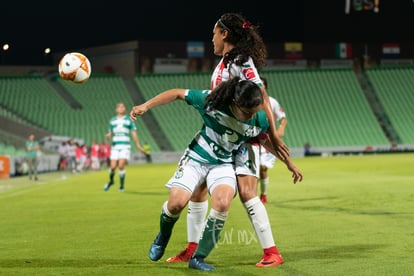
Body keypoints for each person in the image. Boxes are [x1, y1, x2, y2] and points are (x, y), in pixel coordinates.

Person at [130, 77, 302, 271]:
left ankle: (198, 258)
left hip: (223, 164)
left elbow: (264, 140)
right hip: (196, 159)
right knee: (176, 204)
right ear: (235, 103)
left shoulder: (259, 117)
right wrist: (145, 106)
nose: (251, 117)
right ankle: (163, 234)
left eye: (255, 111)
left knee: (222, 202)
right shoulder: (212, 102)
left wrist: (289, 163)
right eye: (247, 113)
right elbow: (177, 93)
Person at [166, 13, 291, 268]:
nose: (211, 37)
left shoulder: (240, 61)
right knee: (199, 190)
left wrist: (272, 134)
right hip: (222, 138)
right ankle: (192, 249)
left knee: (246, 193)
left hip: (244, 139)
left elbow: (261, 95)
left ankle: (272, 252)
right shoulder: (227, 61)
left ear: (224, 34)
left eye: (214, 32)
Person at [103, 102, 146, 192]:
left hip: (125, 146)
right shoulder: (112, 120)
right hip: (115, 146)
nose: (122, 108)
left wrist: (138, 145)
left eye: (123, 106)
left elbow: (133, 132)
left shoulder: (128, 119)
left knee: (121, 165)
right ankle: (111, 181)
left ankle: (121, 186)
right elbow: (110, 133)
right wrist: (108, 135)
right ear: (116, 109)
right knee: (113, 167)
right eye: (120, 107)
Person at [258, 77, 288, 204]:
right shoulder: (251, 101)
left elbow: (283, 118)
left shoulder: (272, 102)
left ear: (265, 87)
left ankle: (263, 195)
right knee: (255, 170)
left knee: (262, 168)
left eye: (262, 84)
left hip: (268, 141)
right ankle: (252, 197)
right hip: (254, 139)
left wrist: (281, 128)